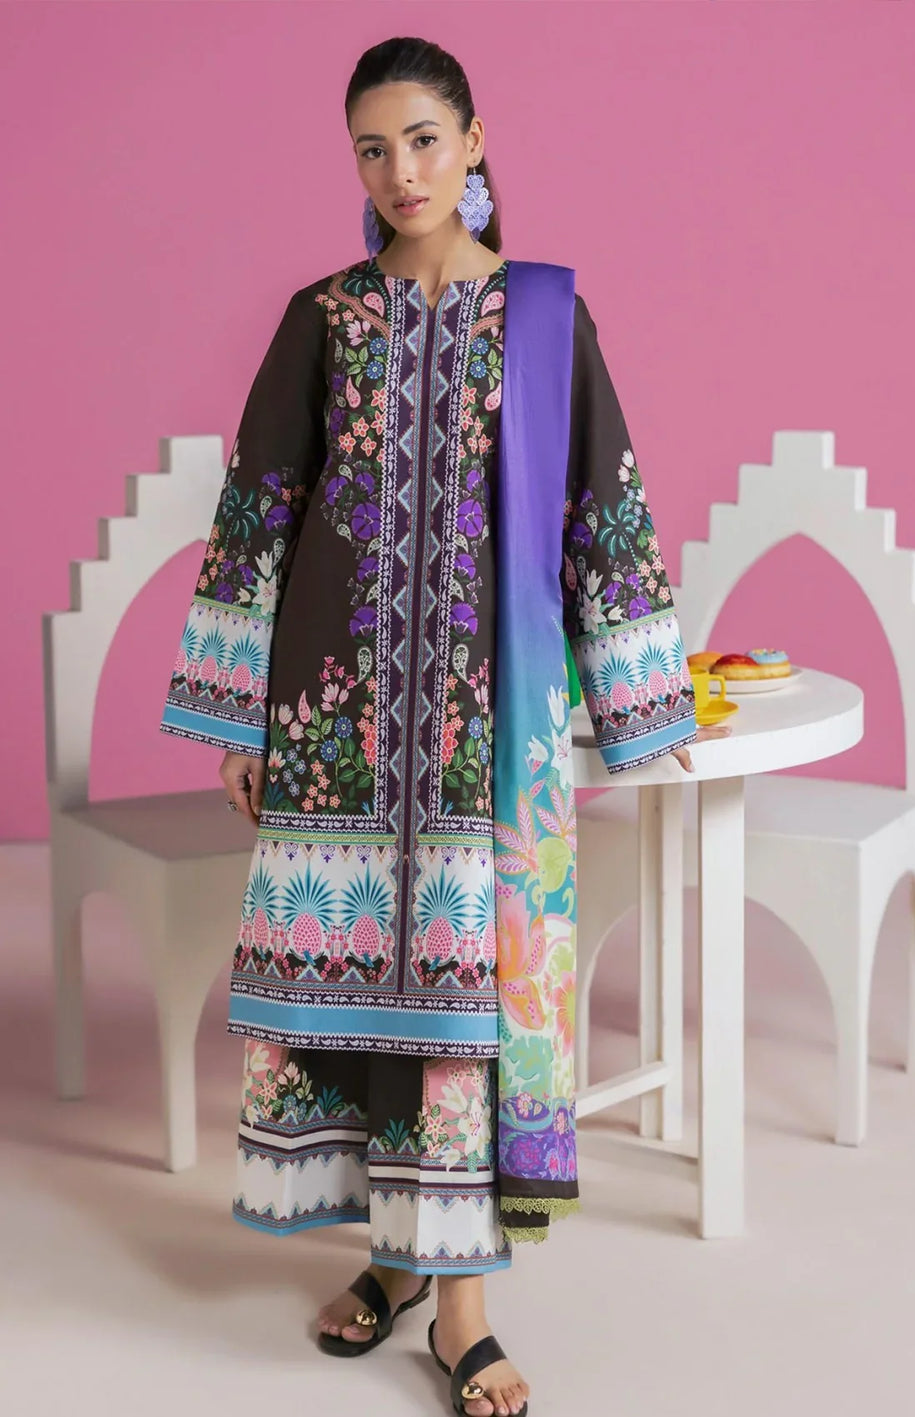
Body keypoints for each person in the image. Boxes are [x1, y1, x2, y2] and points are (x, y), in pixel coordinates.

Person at [161, 34, 729, 1417]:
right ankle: (395, 1260)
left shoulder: (542, 318)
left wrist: (640, 695)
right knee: (365, 1008)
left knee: (464, 1015)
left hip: (484, 740)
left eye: (422, 139)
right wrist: (241, 721)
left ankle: (459, 1309)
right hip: (337, 731)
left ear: (474, 142)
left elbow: (602, 505)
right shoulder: (323, 317)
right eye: (372, 148)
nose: (399, 171)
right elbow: (257, 510)